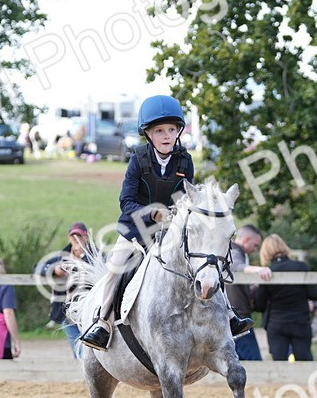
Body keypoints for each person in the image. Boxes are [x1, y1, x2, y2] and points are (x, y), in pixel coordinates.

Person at [80, 94, 254, 350]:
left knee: (207, 261)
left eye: (171, 130)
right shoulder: (138, 160)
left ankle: (228, 315)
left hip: (172, 232)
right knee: (115, 268)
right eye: (159, 130)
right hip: (136, 230)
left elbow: (188, 199)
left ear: (178, 131)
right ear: (148, 134)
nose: (166, 135)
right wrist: (152, 213)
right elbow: (126, 202)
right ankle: (102, 323)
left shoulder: (185, 161)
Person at [252, 234, 317, 361]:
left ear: (265, 252)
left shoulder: (268, 272)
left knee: (279, 364)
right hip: (300, 322)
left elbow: (260, 305)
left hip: (277, 323)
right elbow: (314, 295)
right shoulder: (301, 267)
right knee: (304, 361)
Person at [39, 222, 93, 359]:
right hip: (67, 311)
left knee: (89, 351)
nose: (76, 239)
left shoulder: (95, 256)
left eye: (79, 235)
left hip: (88, 310)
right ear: (69, 237)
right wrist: (55, 270)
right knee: (78, 350)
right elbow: (38, 268)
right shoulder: (61, 256)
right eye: (73, 236)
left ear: (86, 236)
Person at [228, 225, 273, 360]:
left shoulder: (233, 251)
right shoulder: (235, 252)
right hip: (238, 317)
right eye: (255, 245)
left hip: (235, 315)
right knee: (254, 361)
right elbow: (235, 266)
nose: (255, 249)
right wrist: (257, 270)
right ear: (246, 239)